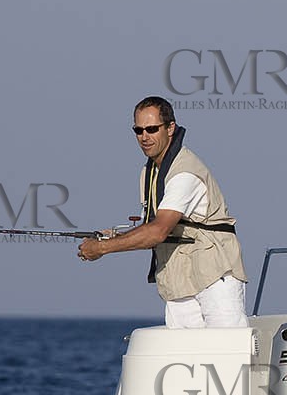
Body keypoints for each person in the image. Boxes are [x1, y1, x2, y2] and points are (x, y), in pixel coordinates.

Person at [77, 97, 249, 328]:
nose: (144, 137)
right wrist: (114, 236)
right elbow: (155, 224)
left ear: (170, 128)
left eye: (151, 129)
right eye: (138, 130)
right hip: (179, 278)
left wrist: (101, 248)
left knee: (227, 352)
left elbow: (157, 232)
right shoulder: (151, 170)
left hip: (214, 275)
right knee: (184, 360)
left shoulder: (183, 172)